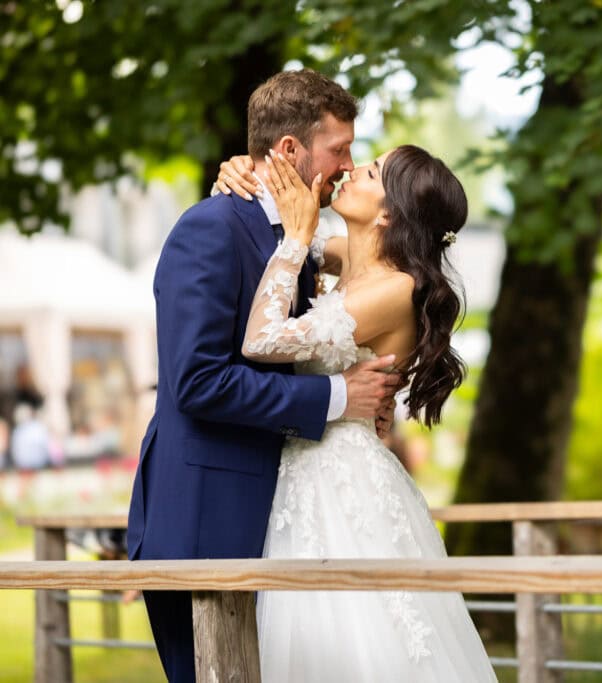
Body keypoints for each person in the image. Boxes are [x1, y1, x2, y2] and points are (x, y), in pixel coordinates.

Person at [125, 69, 401, 683]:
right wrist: (337, 395)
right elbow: (195, 382)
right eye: (339, 150)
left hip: (277, 521)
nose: (348, 166)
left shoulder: (298, 241)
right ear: (289, 150)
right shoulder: (211, 229)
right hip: (203, 520)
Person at [213, 144, 497, 681]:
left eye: (368, 172)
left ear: (388, 211)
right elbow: (279, 211)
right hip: (301, 469)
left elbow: (261, 338)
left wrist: (296, 241)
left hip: (342, 483)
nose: (350, 170)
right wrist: (243, 169)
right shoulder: (350, 256)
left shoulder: (396, 288)